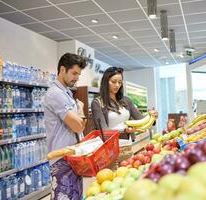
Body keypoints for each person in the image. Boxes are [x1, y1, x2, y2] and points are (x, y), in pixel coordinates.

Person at [44, 53, 87, 200]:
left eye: (78, 74)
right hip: (62, 159)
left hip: (71, 156)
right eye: (74, 73)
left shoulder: (66, 93)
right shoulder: (55, 94)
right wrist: (80, 108)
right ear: (63, 69)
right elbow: (78, 126)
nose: (76, 78)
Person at [91, 67, 158, 138]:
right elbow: (103, 131)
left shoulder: (126, 100)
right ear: (105, 82)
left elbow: (140, 119)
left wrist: (152, 117)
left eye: (120, 82)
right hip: (112, 144)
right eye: (114, 82)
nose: (117, 85)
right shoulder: (97, 103)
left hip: (128, 142)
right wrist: (124, 130)